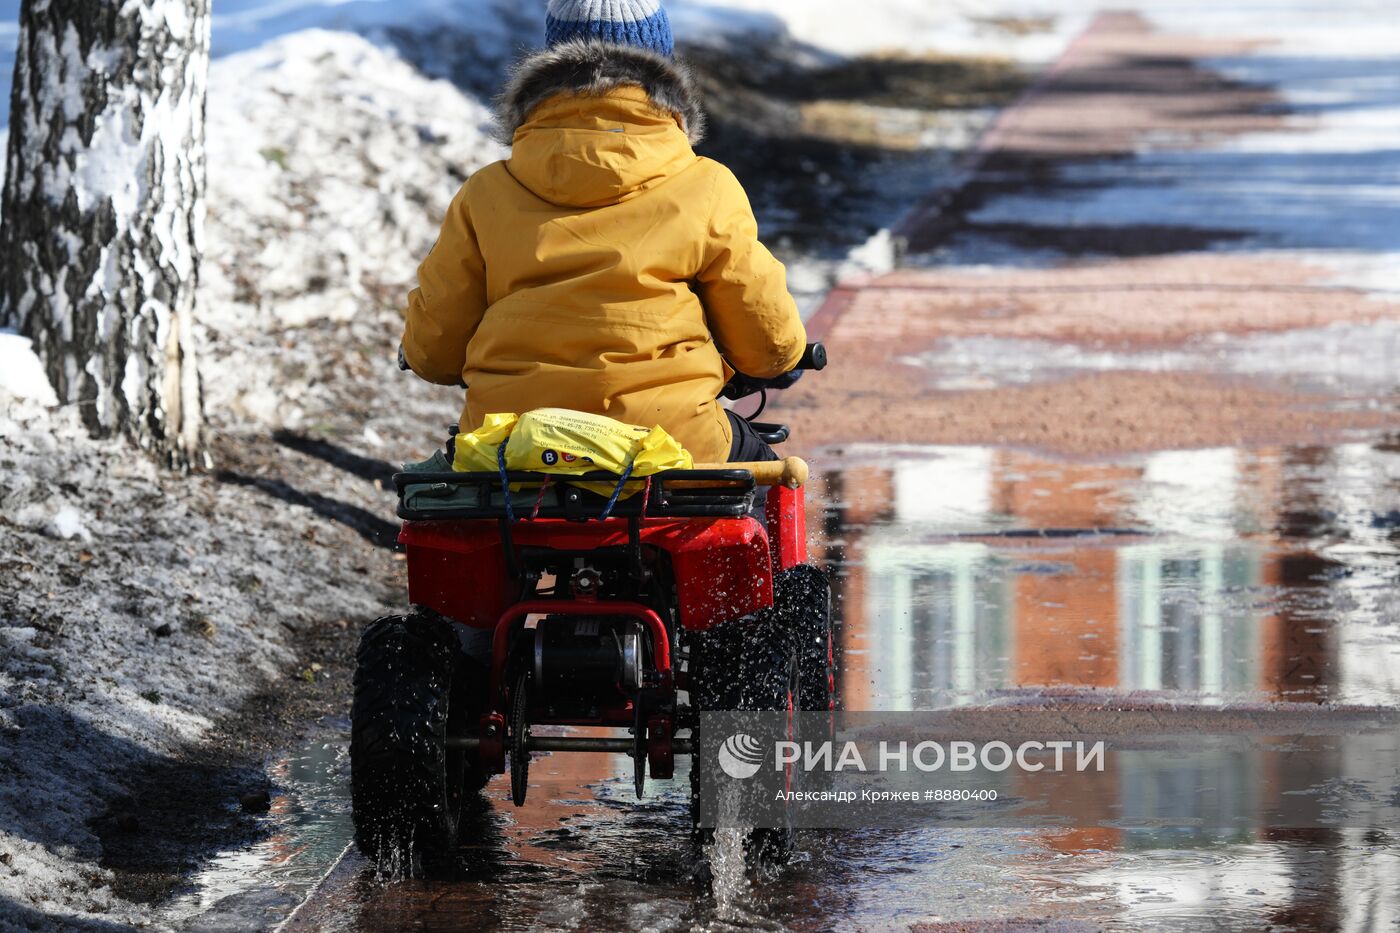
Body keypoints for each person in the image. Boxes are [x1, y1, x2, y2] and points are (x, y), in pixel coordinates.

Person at [400, 0, 805, 465]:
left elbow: (434, 354)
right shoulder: (707, 186)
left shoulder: (486, 192)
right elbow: (767, 345)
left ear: (549, 66)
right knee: (765, 480)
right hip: (671, 443)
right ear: (663, 73)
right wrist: (782, 357)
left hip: (513, 446)